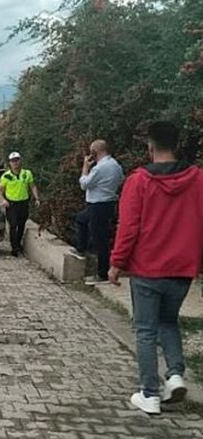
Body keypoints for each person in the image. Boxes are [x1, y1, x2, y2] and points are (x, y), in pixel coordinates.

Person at [108, 121, 203, 415]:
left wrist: (116, 263)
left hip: (148, 268)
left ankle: (149, 393)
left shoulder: (139, 181)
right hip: (183, 268)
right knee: (168, 322)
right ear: (177, 145)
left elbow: (129, 228)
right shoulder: (198, 179)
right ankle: (174, 376)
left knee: (146, 330)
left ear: (149, 146)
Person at [74, 139, 124, 284]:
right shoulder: (115, 165)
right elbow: (120, 180)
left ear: (95, 152)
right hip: (108, 203)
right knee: (81, 219)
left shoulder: (99, 168)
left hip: (97, 204)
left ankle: (102, 273)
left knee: (100, 240)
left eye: (92, 152)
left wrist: (85, 167)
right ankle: (81, 247)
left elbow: (84, 184)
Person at [0, 152, 41, 257]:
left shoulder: (27, 173)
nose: (15, 163)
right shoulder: (6, 176)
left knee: (21, 224)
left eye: (17, 160)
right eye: (13, 161)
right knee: (13, 225)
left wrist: (37, 198)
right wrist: (2, 199)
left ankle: (18, 244)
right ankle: (14, 248)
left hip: (23, 203)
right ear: (10, 163)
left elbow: (32, 186)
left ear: (20, 161)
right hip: (11, 204)